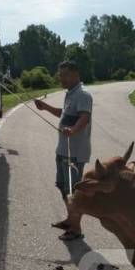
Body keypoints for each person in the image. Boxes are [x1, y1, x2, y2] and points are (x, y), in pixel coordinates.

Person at [34, 60, 93, 240]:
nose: (61, 78)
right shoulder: (70, 94)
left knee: (73, 191)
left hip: (74, 153)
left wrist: (73, 130)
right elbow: (64, 114)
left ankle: (76, 230)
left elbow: (84, 118)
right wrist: (45, 107)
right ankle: (70, 220)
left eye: (65, 75)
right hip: (62, 150)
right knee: (62, 186)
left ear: (75, 74)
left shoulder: (83, 95)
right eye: (60, 75)